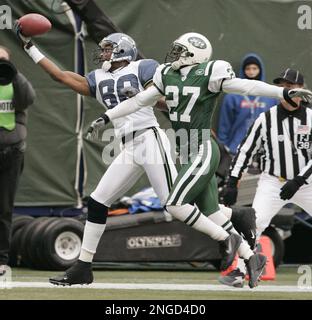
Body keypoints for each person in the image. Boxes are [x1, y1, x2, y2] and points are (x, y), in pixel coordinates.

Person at [15, 30, 247, 286]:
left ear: (123, 50)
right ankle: (83, 267)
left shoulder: (143, 67)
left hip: (150, 139)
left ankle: (228, 234)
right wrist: (29, 47)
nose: (102, 52)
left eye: (108, 48)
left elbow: (160, 96)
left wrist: (151, 101)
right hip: (127, 145)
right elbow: (60, 76)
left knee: (174, 205)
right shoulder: (98, 77)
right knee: (98, 201)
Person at [83, 32, 311, 288]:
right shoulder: (166, 73)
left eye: (180, 50)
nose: (174, 54)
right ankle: (250, 256)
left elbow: (247, 86)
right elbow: (138, 101)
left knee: (175, 204)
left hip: (202, 148)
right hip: (187, 150)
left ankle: (227, 240)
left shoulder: (211, 72)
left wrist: (282, 93)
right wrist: (108, 116)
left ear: (194, 55)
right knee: (211, 211)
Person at [220, 68, 312, 287]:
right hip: (273, 181)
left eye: (290, 86)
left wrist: (299, 180)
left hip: (306, 183)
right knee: (255, 223)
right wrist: (233, 180)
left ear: (301, 90)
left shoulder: (311, 117)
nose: (285, 90)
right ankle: (241, 271)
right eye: (281, 86)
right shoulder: (266, 118)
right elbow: (245, 149)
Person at [0, 45, 35, 275]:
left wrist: (12, 71)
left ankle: (1, 260)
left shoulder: (15, 82)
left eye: (2, 59)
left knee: (3, 207)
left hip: (11, 152)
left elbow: (28, 99)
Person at [217, 53, 277, 155]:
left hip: (263, 152)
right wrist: (222, 146)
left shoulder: (270, 97)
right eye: (248, 68)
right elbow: (224, 124)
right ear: (243, 70)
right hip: (235, 150)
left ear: (260, 70)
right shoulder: (232, 96)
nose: (251, 71)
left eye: (254, 68)